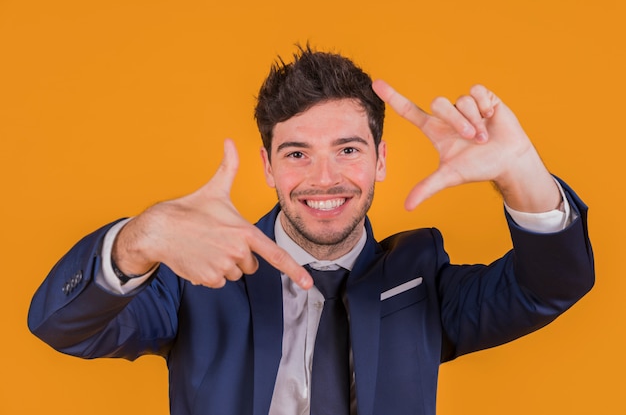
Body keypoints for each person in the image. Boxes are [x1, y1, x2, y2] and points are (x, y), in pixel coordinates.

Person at [28, 46, 594, 415]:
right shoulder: (199, 274)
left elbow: (549, 286)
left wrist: (522, 175)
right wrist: (138, 239)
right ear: (268, 166)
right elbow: (62, 327)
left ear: (380, 161)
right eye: (297, 153)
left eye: (348, 149)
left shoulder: (420, 278)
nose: (324, 178)